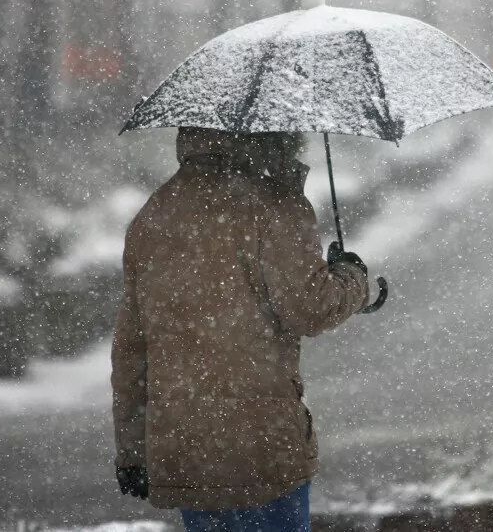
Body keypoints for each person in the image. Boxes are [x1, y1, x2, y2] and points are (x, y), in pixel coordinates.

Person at [111, 127, 370, 532]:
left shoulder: (155, 213)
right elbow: (311, 308)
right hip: (261, 446)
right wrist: (353, 276)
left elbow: (131, 349)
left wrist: (132, 450)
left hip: (185, 447)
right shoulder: (276, 205)